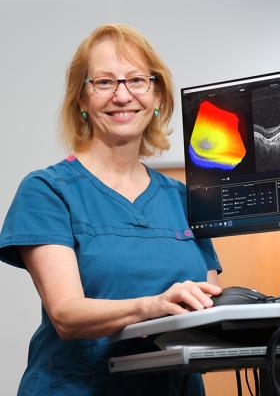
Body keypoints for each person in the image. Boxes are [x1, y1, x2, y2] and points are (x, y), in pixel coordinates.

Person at [0, 24, 222, 395]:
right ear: (81, 100)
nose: (122, 96)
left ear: (156, 98)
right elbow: (66, 315)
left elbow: (206, 304)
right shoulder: (48, 190)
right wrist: (154, 305)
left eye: (136, 80)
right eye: (104, 83)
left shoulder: (186, 200)